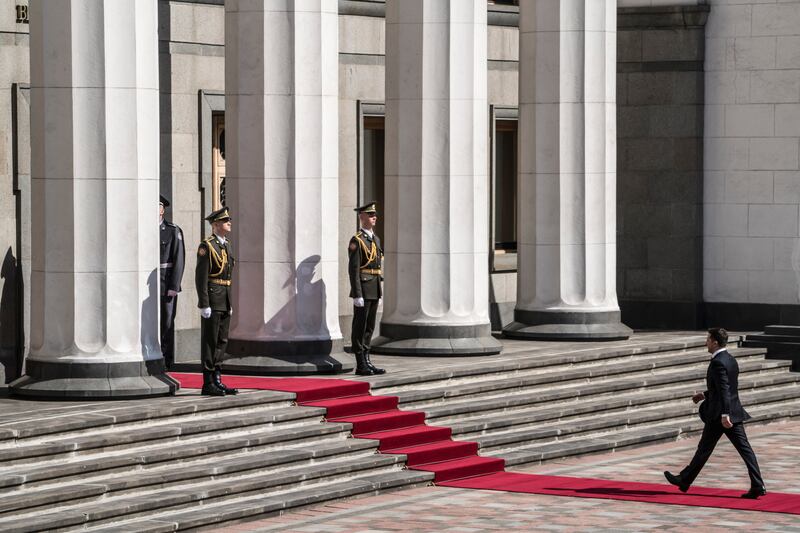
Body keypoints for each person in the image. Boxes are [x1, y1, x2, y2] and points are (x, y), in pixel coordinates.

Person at [664, 327, 766, 499]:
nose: (706, 342)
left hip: (721, 415)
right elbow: (723, 388)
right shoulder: (730, 359)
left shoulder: (718, 362)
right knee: (742, 450)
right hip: (731, 412)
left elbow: (725, 390)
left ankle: (684, 479)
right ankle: (757, 485)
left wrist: (725, 414)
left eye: (708, 339)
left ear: (715, 342)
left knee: (705, 449)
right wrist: (704, 394)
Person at [195, 206, 238, 396]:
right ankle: (207, 382)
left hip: (224, 298)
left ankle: (217, 378)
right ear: (216, 225)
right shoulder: (207, 246)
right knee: (210, 341)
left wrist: (230, 302)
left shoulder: (227, 244)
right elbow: (201, 277)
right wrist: (204, 304)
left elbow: (228, 276)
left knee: (222, 340)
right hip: (212, 298)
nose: (229, 222)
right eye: (225, 220)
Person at [348, 202, 386, 376]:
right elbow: (354, 269)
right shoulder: (357, 240)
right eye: (371, 215)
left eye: (375, 215)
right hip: (363, 288)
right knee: (360, 326)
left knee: (370, 326)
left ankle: (367, 360)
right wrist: (357, 294)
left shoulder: (375, 239)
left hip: (374, 286)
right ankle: (360, 362)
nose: (374, 218)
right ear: (362, 218)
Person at [159, 195, 185, 369]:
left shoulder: (172, 230)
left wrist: (174, 286)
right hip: (148, 286)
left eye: (158, 206)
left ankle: (167, 360)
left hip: (165, 283)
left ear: (163, 209)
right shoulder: (143, 228)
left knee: (166, 322)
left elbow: (179, 259)